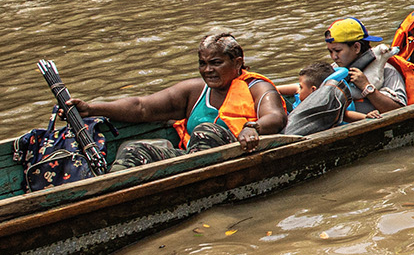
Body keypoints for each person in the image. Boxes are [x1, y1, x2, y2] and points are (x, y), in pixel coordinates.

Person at [74, 31, 287, 166]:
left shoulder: (257, 87)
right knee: (132, 150)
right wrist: (91, 109)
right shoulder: (194, 91)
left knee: (206, 131)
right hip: (188, 159)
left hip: (235, 156)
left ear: (238, 63)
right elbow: (142, 108)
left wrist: (253, 128)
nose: (208, 70)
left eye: (215, 63)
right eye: (202, 63)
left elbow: (276, 116)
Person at [284, 18, 414, 135]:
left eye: (337, 51)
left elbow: (400, 112)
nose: (334, 57)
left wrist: (367, 88)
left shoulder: (387, 71)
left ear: (356, 47)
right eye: (330, 52)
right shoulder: (336, 69)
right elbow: (306, 87)